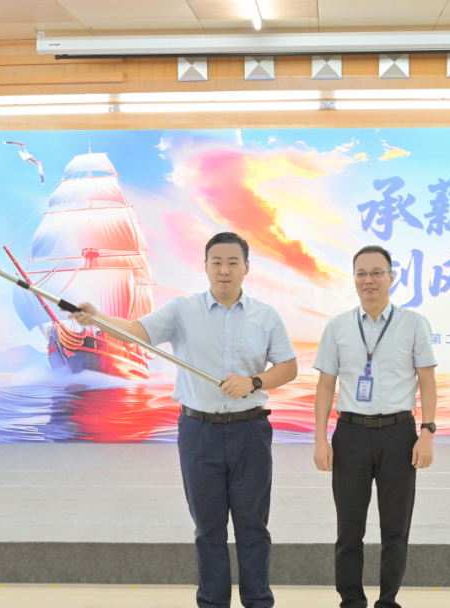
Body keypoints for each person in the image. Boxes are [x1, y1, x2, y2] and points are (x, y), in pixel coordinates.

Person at [70, 232, 298, 608]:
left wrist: (253, 382)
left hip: (250, 431)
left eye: (233, 262)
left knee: (253, 527)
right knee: (208, 528)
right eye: (216, 262)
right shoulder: (182, 310)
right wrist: (96, 318)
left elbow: (288, 367)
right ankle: (212, 603)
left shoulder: (266, 315)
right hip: (198, 432)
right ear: (205, 266)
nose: (224, 270)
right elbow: (136, 333)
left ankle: (258, 602)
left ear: (246, 268)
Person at [312, 245, 438, 608]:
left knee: (396, 528)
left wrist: (427, 433)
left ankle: (388, 600)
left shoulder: (414, 324)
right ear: (354, 278)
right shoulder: (337, 327)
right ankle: (351, 600)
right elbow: (325, 386)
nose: (369, 280)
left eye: (377, 272)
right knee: (348, 528)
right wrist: (320, 440)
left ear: (391, 277)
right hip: (350, 434)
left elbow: (427, 381)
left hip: (399, 434)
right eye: (361, 273)